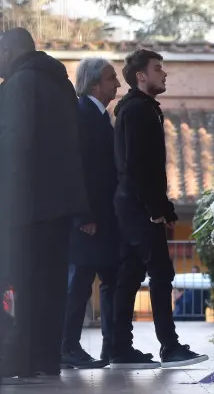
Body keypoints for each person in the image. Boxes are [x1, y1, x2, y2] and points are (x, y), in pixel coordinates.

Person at [111, 49, 208, 369]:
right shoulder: (137, 110)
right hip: (138, 206)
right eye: (157, 69)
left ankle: (120, 348)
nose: (164, 74)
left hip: (136, 204)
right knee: (160, 272)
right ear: (141, 75)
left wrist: (162, 207)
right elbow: (137, 165)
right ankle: (168, 346)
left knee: (130, 274)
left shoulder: (142, 108)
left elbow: (148, 167)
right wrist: (155, 208)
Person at [0, 27, 88, 378]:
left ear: (9, 50)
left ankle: (20, 360)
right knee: (52, 285)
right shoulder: (62, 86)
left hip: (24, 205)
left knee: (23, 284)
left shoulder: (17, 87)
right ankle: (47, 359)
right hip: (60, 205)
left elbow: (13, 148)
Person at [60, 58, 132, 369]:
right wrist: (83, 215)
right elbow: (75, 169)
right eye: (110, 78)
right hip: (89, 220)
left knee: (110, 281)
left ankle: (112, 346)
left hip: (104, 218)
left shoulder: (99, 116)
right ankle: (67, 347)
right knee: (78, 286)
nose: (117, 84)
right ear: (93, 84)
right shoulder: (82, 115)